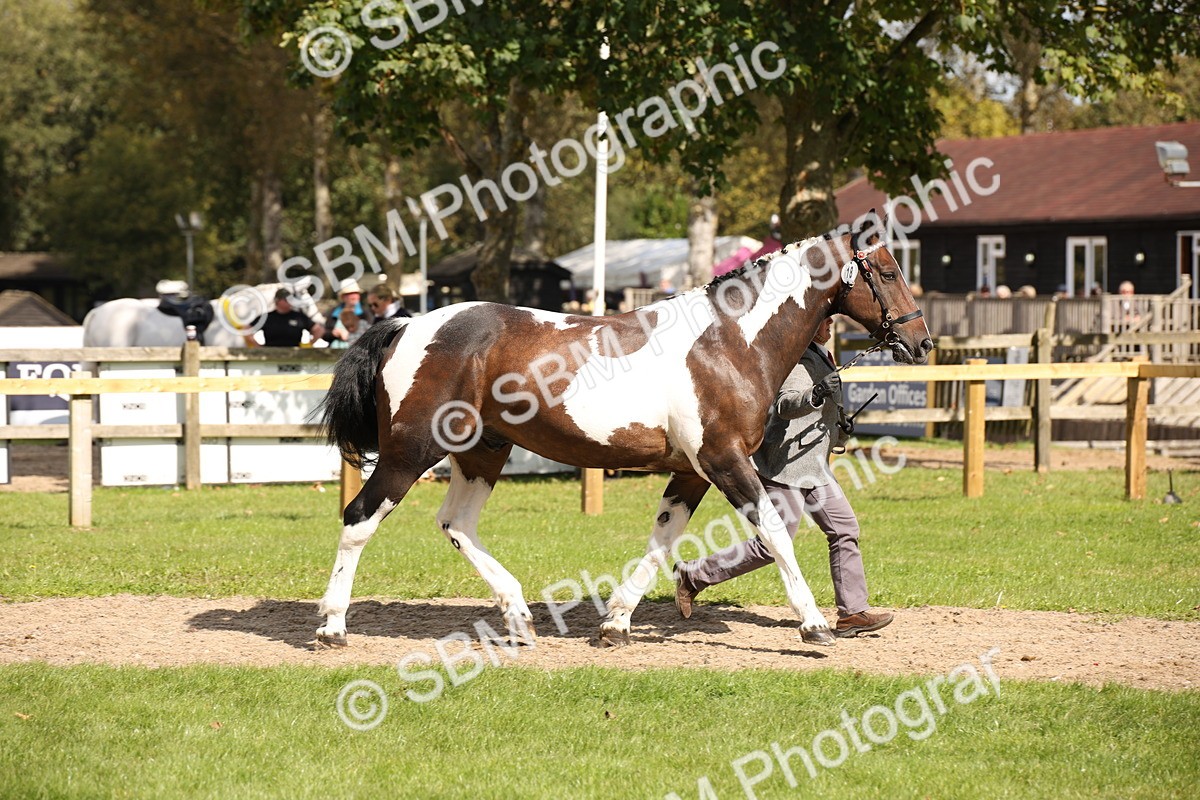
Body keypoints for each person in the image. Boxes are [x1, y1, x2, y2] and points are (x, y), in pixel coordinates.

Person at [674, 316, 894, 638]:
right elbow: (784, 406)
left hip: (816, 467)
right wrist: (816, 395)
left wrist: (840, 430)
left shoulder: (822, 355)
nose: (830, 323)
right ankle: (694, 575)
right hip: (785, 466)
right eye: (825, 320)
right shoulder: (797, 358)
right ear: (812, 324)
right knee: (772, 546)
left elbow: (823, 416)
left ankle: (852, 614)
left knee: (845, 529)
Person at [258, 288, 325, 346]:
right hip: (271, 354)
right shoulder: (267, 317)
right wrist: (257, 347)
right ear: (277, 300)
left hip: (294, 355)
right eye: (286, 299)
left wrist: (308, 344)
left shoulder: (299, 316)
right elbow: (248, 329)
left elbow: (319, 330)